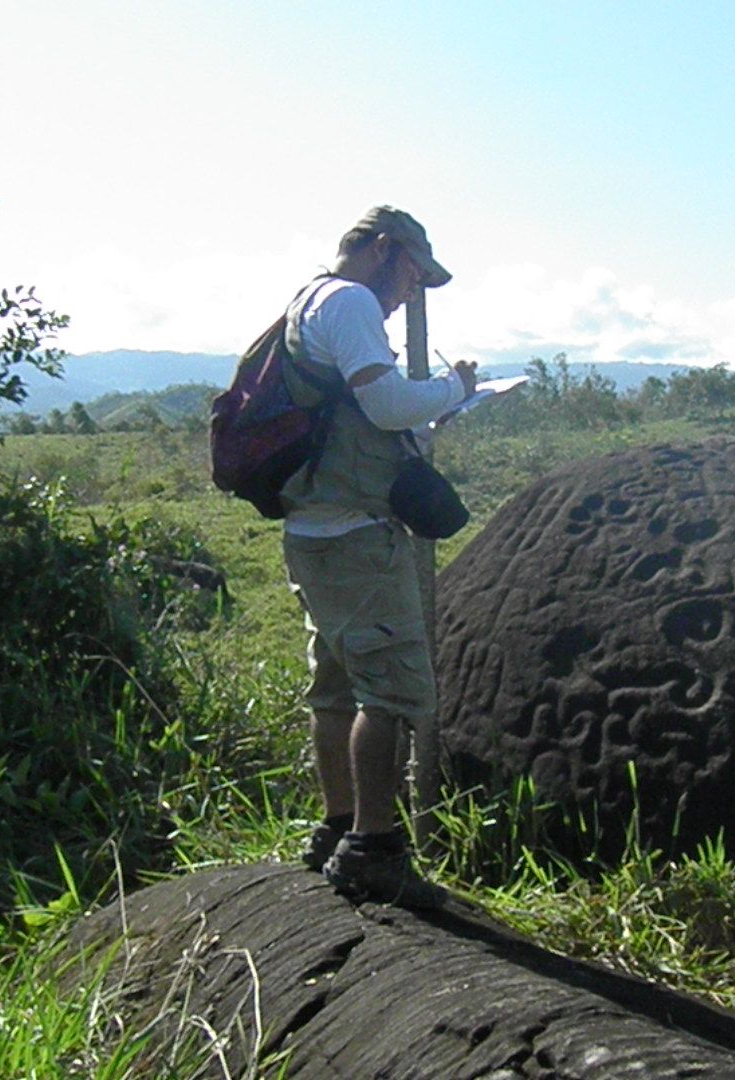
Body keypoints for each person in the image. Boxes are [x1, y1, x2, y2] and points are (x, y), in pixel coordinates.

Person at [279, 206, 476, 908]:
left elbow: (369, 414)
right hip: (359, 537)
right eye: (413, 275)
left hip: (315, 529)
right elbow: (388, 404)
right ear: (385, 250)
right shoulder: (351, 300)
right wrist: (458, 387)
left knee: (333, 686)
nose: (409, 294)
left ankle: (336, 829)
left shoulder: (309, 302)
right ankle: (374, 845)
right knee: (390, 692)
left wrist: (431, 410)